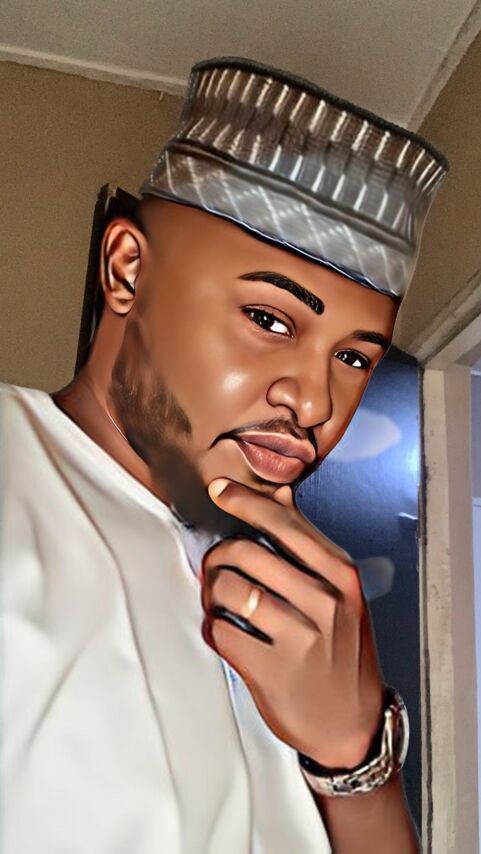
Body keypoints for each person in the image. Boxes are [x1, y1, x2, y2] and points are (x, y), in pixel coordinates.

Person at [0, 57, 448, 853]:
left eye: (353, 358)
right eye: (270, 320)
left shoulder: (294, 587)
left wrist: (354, 756)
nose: (314, 404)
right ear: (127, 270)